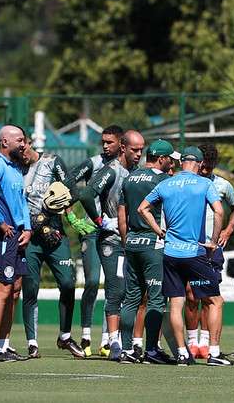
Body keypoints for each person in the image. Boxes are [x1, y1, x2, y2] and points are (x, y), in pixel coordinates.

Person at [139, 146, 234, 366]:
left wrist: (157, 230)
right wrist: (213, 240)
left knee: (176, 303)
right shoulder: (205, 184)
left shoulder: (165, 184)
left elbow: (142, 209)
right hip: (195, 253)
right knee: (214, 301)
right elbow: (219, 211)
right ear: (200, 164)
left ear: (181, 162)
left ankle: (182, 352)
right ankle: (215, 353)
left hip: (170, 253)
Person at [78, 130, 144, 360]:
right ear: (123, 148)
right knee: (115, 288)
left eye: (141, 150)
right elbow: (87, 194)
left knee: (132, 291)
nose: (138, 154)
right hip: (113, 240)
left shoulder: (138, 172)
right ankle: (113, 342)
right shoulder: (111, 170)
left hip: (135, 241)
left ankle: (131, 343)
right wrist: (101, 220)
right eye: (135, 150)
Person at [20, 137, 84, 358]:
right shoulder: (14, 169)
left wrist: (46, 212)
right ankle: (32, 343)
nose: (21, 153)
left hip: (55, 235)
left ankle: (65, 337)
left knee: (67, 283)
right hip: (30, 238)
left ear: (29, 142)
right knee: (30, 288)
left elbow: (74, 192)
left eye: (23, 147)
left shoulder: (52, 162)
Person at [65, 124, 124, 356]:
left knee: (114, 286)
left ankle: (107, 341)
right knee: (91, 282)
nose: (105, 146)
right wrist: (71, 215)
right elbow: (69, 179)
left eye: (110, 142)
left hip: (114, 233)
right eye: (103, 142)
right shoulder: (94, 162)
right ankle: (86, 335)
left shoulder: (127, 166)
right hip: (92, 229)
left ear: (121, 143)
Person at [118, 139, 178, 364]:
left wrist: (127, 241)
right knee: (155, 299)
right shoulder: (164, 180)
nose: (171, 164)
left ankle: (126, 350)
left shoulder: (130, 178)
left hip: (132, 242)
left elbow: (122, 215)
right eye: (170, 159)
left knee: (131, 298)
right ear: (161, 159)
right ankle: (152, 350)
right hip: (154, 243)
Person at [0, 125, 32, 361]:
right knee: (1, 289)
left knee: (14, 291)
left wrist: (29, 228)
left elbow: (22, 201)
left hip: (19, 235)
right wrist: (0, 222)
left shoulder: (15, 168)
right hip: (4, 236)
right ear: (4, 142)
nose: (24, 144)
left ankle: (3, 345)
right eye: (20, 140)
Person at [185, 143, 234, 359]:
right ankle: (191, 341)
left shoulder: (223, 185)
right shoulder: (188, 184)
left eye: (208, 168)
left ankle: (206, 342)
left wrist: (228, 229)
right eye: (201, 167)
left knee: (209, 295)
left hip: (212, 248)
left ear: (213, 165)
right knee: (190, 294)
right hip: (189, 246)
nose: (204, 171)